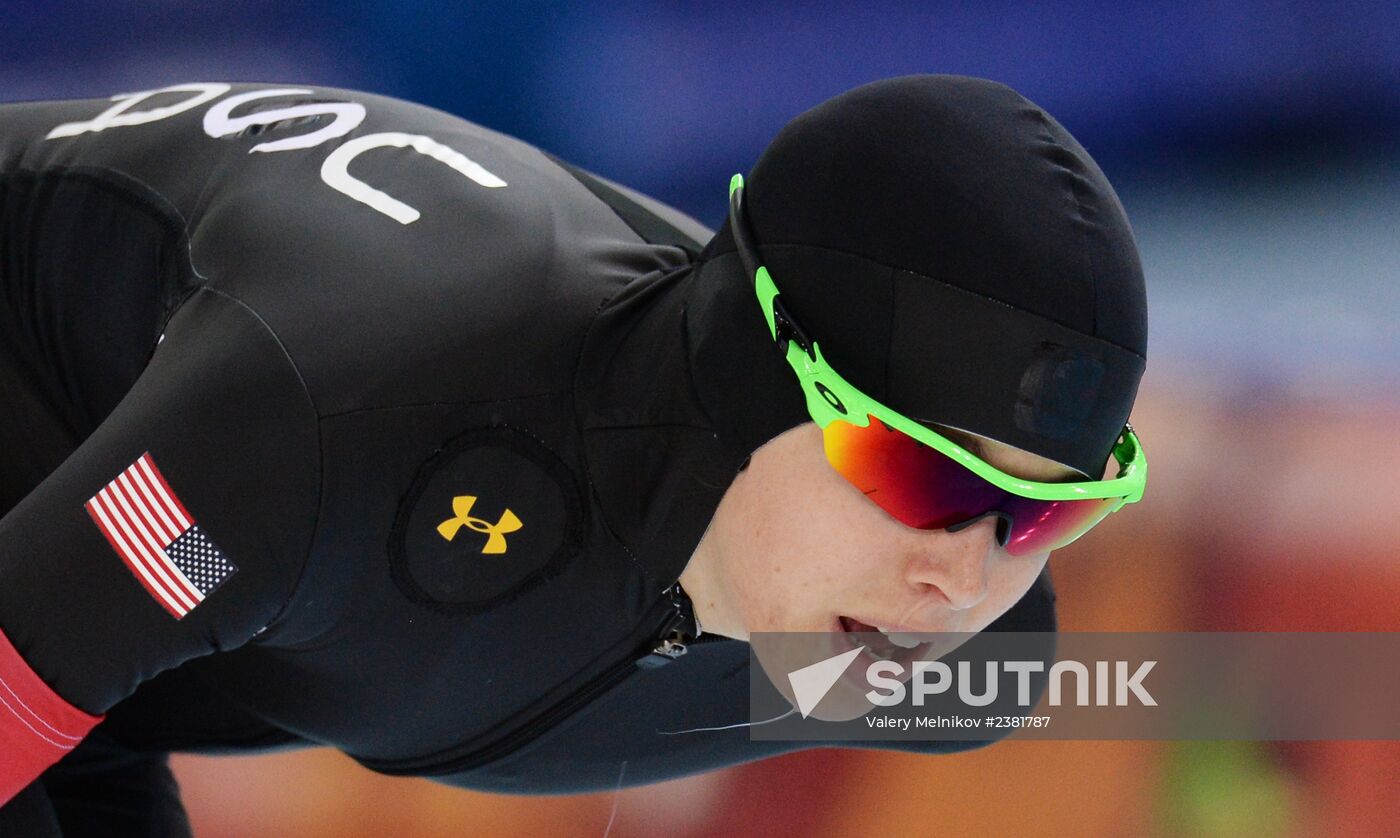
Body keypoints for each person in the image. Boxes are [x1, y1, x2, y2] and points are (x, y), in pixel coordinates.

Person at [0, 74, 1147, 834]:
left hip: (134, 646)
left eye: (1042, 515)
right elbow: (113, 605)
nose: (959, 584)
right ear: (751, 382)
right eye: (926, 477)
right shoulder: (331, 428)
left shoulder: (950, 658)